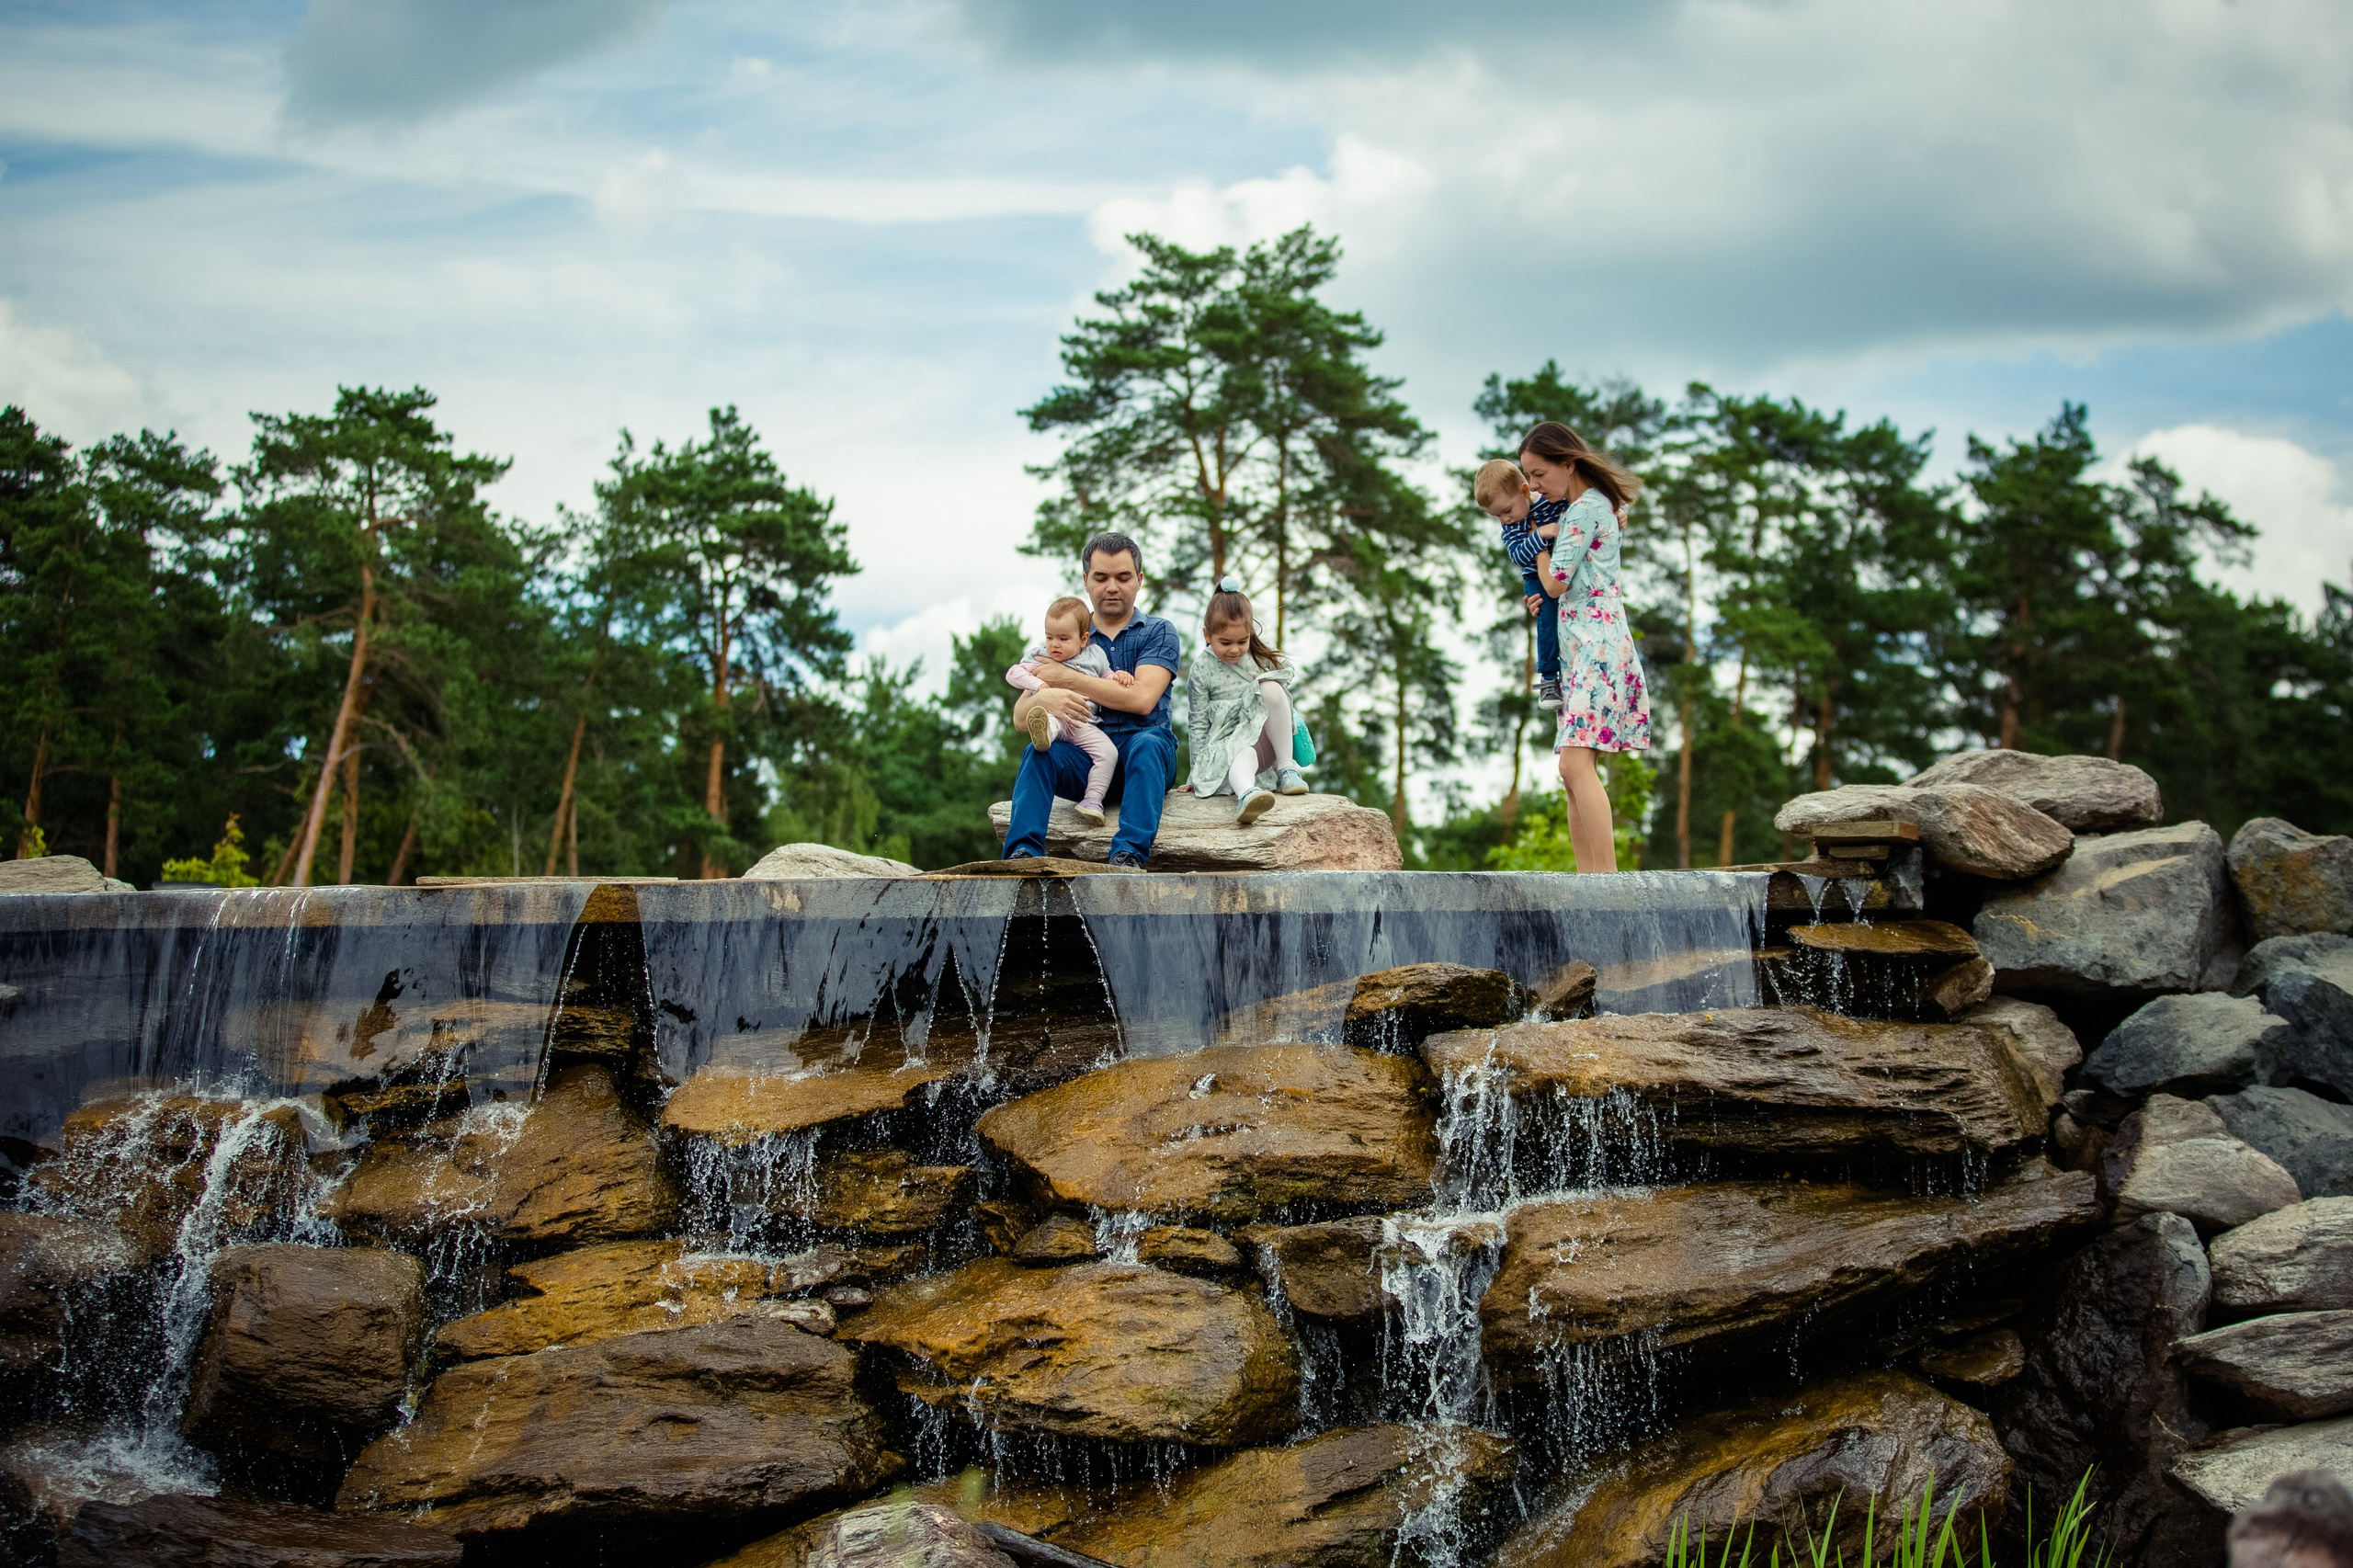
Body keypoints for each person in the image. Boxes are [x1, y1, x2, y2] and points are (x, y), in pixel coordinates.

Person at [1001, 533, 1180, 868]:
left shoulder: (1159, 631)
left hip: (1143, 758)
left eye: (1122, 577)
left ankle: (1127, 855)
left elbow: (1142, 699)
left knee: (1148, 742)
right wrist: (1047, 695)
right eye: (1101, 577)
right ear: (1086, 581)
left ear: (1139, 580)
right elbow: (1021, 718)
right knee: (1039, 751)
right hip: (1083, 757)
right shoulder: (1064, 637)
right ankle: (1022, 854)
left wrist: (1065, 678)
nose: (1112, 586)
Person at [1521, 420, 1653, 873]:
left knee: (1576, 766)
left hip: (1597, 647)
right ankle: (1588, 880)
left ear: (1568, 462)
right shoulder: (1590, 506)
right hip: (1580, 649)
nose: (1533, 486)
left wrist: (1531, 548)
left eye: (1539, 474)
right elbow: (1564, 588)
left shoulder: (1582, 510)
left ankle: (1606, 881)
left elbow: (1555, 582)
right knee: (1571, 771)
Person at [1177, 579, 1305, 825]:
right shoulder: (1202, 669)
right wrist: (1195, 772)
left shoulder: (1256, 657)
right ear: (1207, 635)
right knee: (1240, 756)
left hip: (1262, 738)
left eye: (1242, 641)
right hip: (1228, 743)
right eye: (1225, 642)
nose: (1235, 650)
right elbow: (1198, 723)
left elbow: (1287, 672)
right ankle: (1247, 794)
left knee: (1271, 688)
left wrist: (1264, 678)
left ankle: (1287, 770)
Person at [1004, 596, 1134, 827]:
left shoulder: (1095, 656)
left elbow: (1107, 679)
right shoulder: (1040, 656)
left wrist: (1120, 676)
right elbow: (1013, 673)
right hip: (1055, 716)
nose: (1054, 644)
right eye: (1049, 637)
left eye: (1063, 639)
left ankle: (1093, 799)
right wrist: (1040, 687)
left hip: (1083, 722)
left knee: (1108, 753)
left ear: (1083, 639)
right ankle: (1043, 733)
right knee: (1049, 722)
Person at [1476, 459, 1571, 712]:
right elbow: (1518, 556)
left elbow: (1584, 504)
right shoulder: (1511, 528)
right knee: (1547, 617)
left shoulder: (1552, 500)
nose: (1504, 520)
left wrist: (1617, 511)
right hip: (1535, 579)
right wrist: (1540, 535)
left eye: (1506, 511)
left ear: (1525, 491)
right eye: (1496, 516)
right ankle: (1550, 677)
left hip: (1567, 572)